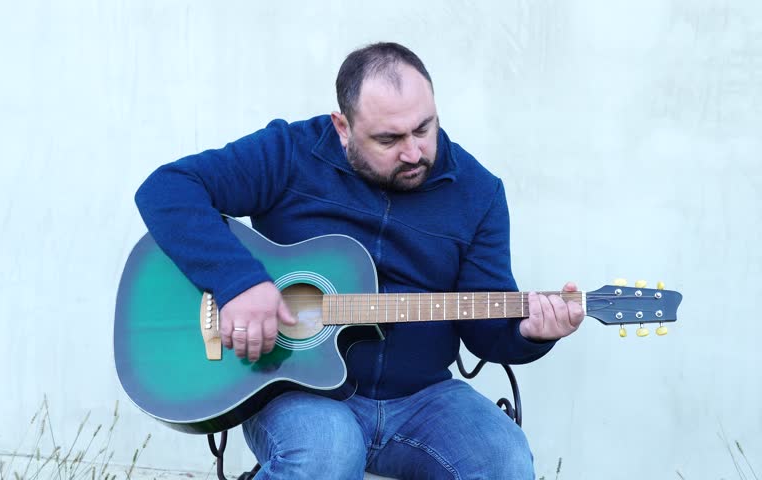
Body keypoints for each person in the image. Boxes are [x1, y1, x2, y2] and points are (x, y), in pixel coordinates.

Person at [135, 42, 584, 479]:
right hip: (296, 390)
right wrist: (239, 283)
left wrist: (529, 333)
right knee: (327, 454)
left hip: (423, 400)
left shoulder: (479, 192)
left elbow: (487, 332)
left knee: (505, 461)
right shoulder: (289, 153)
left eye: (424, 129)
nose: (413, 153)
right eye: (388, 138)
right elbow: (167, 189)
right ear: (343, 127)